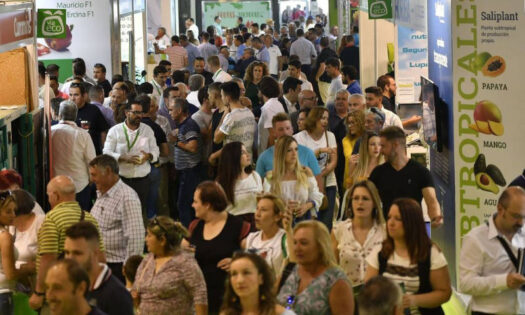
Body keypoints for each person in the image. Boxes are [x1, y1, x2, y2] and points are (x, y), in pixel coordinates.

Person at [364, 198, 452, 314]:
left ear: (412, 222)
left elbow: (444, 293)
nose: (391, 223)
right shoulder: (380, 252)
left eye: (398, 219)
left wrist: (413, 300)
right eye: (389, 217)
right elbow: (368, 290)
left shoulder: (431, 254)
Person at [30, 176, 105, 310]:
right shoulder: (89, 218)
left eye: (48, 195)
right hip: (84, 292)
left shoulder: (51, 219)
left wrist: (39, 292)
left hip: (59, 292)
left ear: (55, 196)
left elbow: (48, 258)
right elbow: (100, 257)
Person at [184, 181, 250, 314]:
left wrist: (236, 263)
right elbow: (178, 252)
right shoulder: (195, 226)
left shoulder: (239, 226)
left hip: (230, 301)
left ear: (207, 205)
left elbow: (255, 258)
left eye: (196, 202)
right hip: (201, 300)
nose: (192, 205)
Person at [459, 186, 525, 314]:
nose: (521, 223)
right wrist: (504, 281)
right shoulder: (475, 239)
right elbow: (466, 284)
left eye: (524, 216)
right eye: (516, 216)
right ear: (500, 209)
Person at [369, 127, 443, 229]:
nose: (381, 150)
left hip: (413, 231)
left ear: (395, 145)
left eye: (383, 146)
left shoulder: (420, 172)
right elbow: (368, 198)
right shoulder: (378, 173)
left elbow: (431, 200)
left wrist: (435, 218)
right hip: (388, 230)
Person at [132, 216, 208, 315]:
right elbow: (136, 289)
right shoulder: (147, 260)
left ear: (162, 240)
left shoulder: (185, 262)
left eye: (149, 236)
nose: (146, 239)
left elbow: (200, 295)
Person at [277, 220, 354, 314]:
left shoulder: (336, 281)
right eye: (295, 242)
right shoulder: (289, 271)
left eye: (303, 243)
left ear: (320, 246)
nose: (297, 248)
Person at [89, 155, 145, 283]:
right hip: (102, 264)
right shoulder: (102, 193)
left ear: (108, 171)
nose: (92, 179)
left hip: (118, 268)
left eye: (94, 175)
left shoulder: (127, 197)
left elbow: (136, 237)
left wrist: (129, 273)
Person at [103, 98, 160, 216]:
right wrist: (122, 158)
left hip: (142, 180)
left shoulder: (147, 130)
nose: (138, 116)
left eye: (140, 113)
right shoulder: (115, 131)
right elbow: (106, 152)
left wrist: (148, 156)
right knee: (120, 213)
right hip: (121, 179)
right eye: (135, 112)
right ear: (126, 113)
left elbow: (156, 150)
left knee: (138, 213)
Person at [64, 222, 133, 315]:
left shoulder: (118, 295)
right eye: (67, 252)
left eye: (77, 253)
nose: (70, 259)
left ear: (95, 253)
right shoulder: (70, 285)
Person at [332, 180, 386, 285]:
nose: (360, 202)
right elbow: (332, 269)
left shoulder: (385, 232)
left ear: (374, 202)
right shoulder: (339, 230)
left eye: (365, 198)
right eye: (356, 198)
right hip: (347, 296)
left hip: (378, 296)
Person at [294, 107, 338, 230]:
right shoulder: (299, 138)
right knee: (310, 223)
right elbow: (302, 162)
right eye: (322, 118)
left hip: (328, 182)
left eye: (327, 119)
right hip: (307, 184)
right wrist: (319, 151)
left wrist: (322, 174)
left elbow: (334, 160)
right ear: (314, 119)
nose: (325, 121)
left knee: (326, 222)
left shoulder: (330, 136)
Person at [263, 136, 323, 224]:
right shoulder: (271, 176)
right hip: (280, 223)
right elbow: (266, 202)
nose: (294, 153)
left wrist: (306, 206)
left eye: (296, 149)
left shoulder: (305, 173)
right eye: (289, 150)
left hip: (303, 222)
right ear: (281, 153)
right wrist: (281, 206)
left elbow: (317, 196)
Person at [51, 100, 96, 210]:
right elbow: (92, 161)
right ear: (75, 116)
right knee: (80, 221)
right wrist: (91, 180)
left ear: (60, 115)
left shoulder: (51, 132)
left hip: (57, 186)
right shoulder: (83, 135)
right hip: (80, 186)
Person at [221, 252, 295, 315]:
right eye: (234, 274)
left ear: (261, 278)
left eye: (246, 273)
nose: (240, 280)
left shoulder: (280, 313)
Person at [169, 98, 202, 227]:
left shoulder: (189, 125)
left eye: (172, 110)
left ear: (179, 110)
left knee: (184, 205)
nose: (170, 113)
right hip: (186, 171)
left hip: (190, 171)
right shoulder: (184, 125)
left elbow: (193, 147)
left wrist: (176, 142)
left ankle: (188, 234)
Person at [256, 113, 320, 178]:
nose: (285, 133)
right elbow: (259, 185)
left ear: (292, 129)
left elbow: (318, 182)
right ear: (274, 132)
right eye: (281, 129)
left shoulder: (307, 153)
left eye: (288, 128)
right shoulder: (264, 157)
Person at [242, 194, 291, 276]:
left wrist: (289, 230)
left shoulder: (285, 239)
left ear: (277, 217)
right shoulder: (251, 239)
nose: (257, 214)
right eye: (257, 208)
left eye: (263, 210)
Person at [216, 142, 262, 225]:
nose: (248, 155)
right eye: (242, 153)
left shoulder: (255, 176)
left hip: (254, 223)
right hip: (232, 224)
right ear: (233, 156)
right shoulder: (221, 183)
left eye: (247, 151)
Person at [11, 189, 45, 293]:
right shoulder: (9, 226)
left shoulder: (42, 222)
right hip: (15, 281)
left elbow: (48, 257)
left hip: (35, 283)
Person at [215, 81, 256, 156]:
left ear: (228, 98)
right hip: (247, 159)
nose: (222, 98)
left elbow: (216, 139)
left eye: (222, 96)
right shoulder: (249, 113)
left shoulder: (231, 117)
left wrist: (224, 115)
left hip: (234, 161)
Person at [69, 82, 109, 155]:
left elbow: (103, 131)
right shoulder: (67, 111)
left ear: (84, 95)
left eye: (76, 95)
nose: (72, 98)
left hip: (93, 152)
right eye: (70, 95)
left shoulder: (93, 110)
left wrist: (104, 150)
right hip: (74, 153)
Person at [257, 76, 283, 154]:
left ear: (261, 91)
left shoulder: (268, 107)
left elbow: (273, 134)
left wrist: (267, 155)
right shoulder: (277, 103)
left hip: (270, 154)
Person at [342, 110, 365, 189]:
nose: (349, 126)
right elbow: (350, 157)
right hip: (350, 178)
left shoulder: (367, 138)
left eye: (352, 123)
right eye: (348, 123)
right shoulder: (346, 140)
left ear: (360, 123)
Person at [313, 36, 338, 104]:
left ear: (320, 44)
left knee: (326, 100)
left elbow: (322, 66)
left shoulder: (322, 54)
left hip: (324, 80)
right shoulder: (333, 53)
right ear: (328, 44)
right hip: (333, 79)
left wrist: (317, 77)